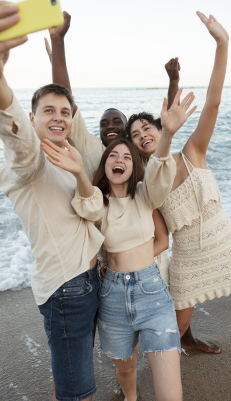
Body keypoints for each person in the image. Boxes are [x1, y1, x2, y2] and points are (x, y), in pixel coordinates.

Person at [126, 11, 231, 353]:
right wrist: (123, 262)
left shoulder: (192, 152)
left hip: (227, 244)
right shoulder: (146, 187)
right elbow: (161, 238)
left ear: (161, 130)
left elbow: (213, 102)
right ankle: (162, 369)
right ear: (133, 147)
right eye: (134, 134)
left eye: (147, 127)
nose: (142, 134)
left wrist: (222, 42)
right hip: (187, 258)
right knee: (176, 329)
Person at [41, 88, 196, 401]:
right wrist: (76, 170)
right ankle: (131, 397)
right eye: (113, 155)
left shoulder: (144, 195)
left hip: (152, 293)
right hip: (111, 296)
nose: (120, 159)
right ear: (105, 163)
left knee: (169, 383)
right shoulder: (101, 204)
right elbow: (89, 202)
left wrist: (166, 134)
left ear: (133, 165)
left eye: (127, 155)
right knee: (125, 370)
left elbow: (159, 174)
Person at [0, 3, 105, 401]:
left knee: (70, 374)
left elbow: (92, 212)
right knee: (79, 391)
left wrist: (80, 173)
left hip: (86, 280)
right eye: (48, 111)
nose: (58, 117)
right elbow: (14, 134)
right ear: (33, 118)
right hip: (67, 288)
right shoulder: (29, 162)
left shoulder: (66, 158)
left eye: (65, 111)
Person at [45, 11, 172, 283]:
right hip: (109, 255)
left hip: (149, 256)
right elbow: (66, 97)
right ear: (98, 129)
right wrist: (58, 43)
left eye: (117, 121)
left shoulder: (138, 156)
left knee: (173, 320)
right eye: (104, 123)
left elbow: (168, 127)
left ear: (127, 130)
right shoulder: (90, 149)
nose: (110, 126)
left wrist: (173, 84)